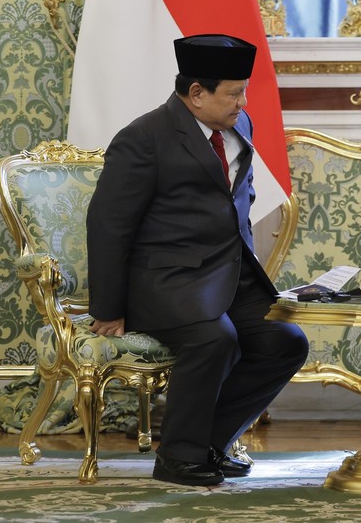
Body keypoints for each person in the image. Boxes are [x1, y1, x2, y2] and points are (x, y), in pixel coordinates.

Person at [86, 34, 309, 486]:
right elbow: (108, 225)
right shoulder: (142, 138)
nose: (242, 102)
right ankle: (178, 458)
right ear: (196, 94)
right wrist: (108, 308)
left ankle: (210, 441)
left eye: (243, 90)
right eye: (233, 92)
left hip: (229, 277)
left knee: (286, 340)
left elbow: (237, 200)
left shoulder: (239, 125)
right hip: (164, 282)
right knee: (215, 339)